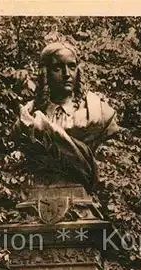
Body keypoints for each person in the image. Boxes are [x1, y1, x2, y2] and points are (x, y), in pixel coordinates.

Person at [14, 41, 119, 192]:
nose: (66, 74)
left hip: (79, 188)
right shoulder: (28, 114)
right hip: (43, 190)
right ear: (45, 73)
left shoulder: (98, 111)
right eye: (57, 68)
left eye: (71, 66)